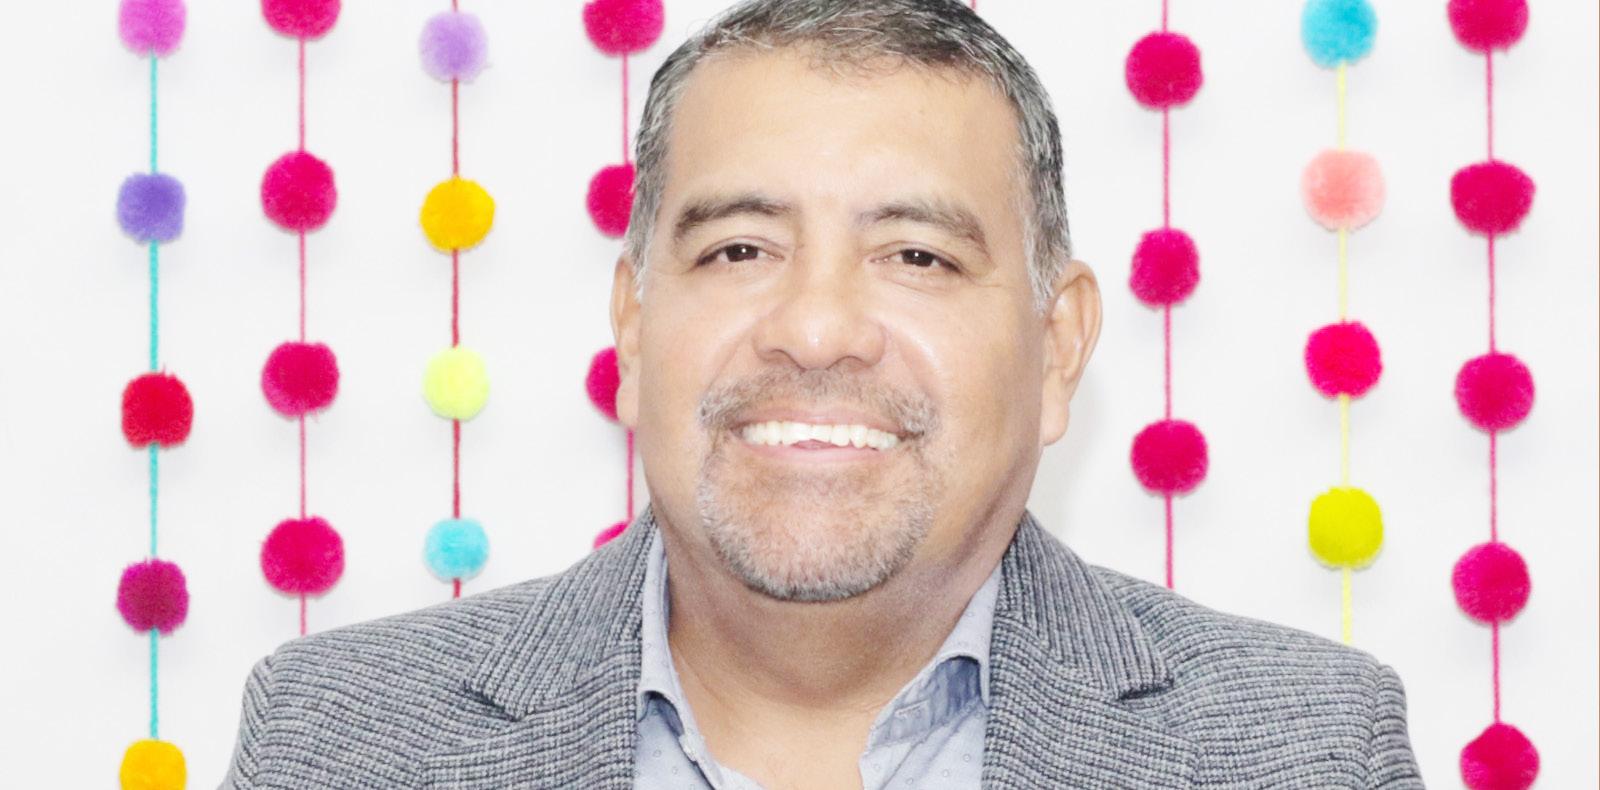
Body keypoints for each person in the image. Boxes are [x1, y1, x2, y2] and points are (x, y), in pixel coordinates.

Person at [223, 0, 1422, 787]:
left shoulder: (1311, 749)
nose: (814, 329)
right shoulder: (334, 739)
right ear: (632, 327)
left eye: (917, 256)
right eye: (739, 248)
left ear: (1058, 347)